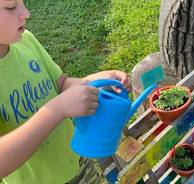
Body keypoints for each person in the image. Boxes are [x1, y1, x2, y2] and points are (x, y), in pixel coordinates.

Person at [0, 0, 131, 183]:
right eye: (11, 7)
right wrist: (59, 108)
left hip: (78, 161)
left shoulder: (26, 40)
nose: (26, 13)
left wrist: (93, 81)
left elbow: (61, 84)